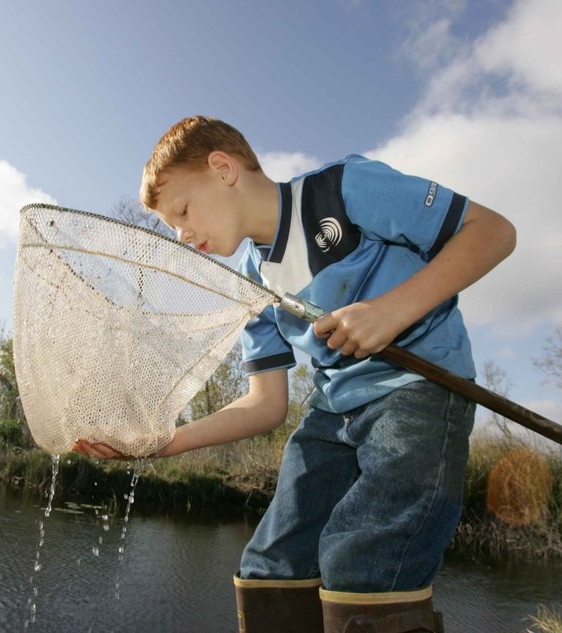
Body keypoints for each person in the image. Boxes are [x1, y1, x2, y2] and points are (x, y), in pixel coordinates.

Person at [73, 116, 516, 633]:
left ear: (223, 168)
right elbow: (265, 404)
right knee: (270, 570)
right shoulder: (250, 285)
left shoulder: (342, 190)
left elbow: (492, 232)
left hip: (419, 393)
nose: (183, 235)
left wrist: (391, 311)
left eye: (183, 212)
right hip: (334, 413)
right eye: (173, 227)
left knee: (361, 566)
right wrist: (162, 443)